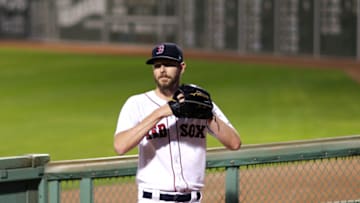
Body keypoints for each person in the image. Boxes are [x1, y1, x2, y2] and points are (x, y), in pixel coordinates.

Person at [114, 42, 241, 203]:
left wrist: (208, 115)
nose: (162, 70)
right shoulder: (137, 104)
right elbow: (120, 146)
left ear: (182, 67)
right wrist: (160, 113)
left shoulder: (197, 99)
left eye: (168, 64)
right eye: (157, 65)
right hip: (153, 199)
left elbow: (234, 143)